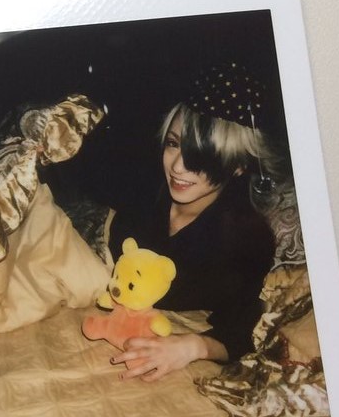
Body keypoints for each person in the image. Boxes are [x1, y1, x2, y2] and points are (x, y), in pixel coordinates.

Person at [107, 63, 280, 382]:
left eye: (202, 157)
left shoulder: (247, 239)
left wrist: (191, 346)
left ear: (238, 166)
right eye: (173, 143)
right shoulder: (142, 191)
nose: (178, 167)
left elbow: (244, 331)